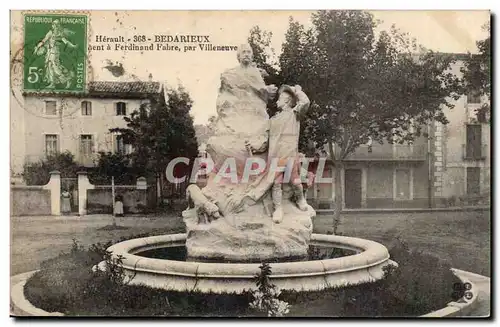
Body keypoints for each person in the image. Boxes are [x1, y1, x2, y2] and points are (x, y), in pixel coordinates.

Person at [246, 85, 311, 223]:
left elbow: (305, 102)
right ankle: (278, 209)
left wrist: (298, 91)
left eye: (280, 99)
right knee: (276, 183)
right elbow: (265, 142)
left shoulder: (294, 115)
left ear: (287, 101)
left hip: (289, 154)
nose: (276, 102)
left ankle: (300, 200)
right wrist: (254, 147)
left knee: (295, 180)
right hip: (275, 156)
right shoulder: (273, 120)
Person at [33, 19, 77, 89]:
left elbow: (66, 42)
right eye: (53, 25)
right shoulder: (50, 33)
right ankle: (52, 83)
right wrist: (37, 47)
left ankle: (68, 79)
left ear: (58, 26)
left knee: (55, 68)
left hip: (55, 53)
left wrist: (73, 46)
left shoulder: (60, 34)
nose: (55, 26)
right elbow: (43, 41)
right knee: (49, 67)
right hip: (49, 53)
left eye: (56, 25)